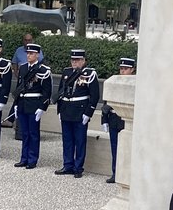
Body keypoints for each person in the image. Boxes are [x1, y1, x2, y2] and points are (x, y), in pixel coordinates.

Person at [54, 49, 100, 179]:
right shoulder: (67, 72)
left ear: (83, 61)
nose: (74, 62)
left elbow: (95, 95)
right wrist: (59, 109)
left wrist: (88, 113)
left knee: (80, 140)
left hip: (80, 111)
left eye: (78, 60)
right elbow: (60, 92)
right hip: (66, 109)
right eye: (73, 60)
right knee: (67, 140)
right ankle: (67, 165)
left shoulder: (90, 74)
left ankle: (78, 167)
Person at [14, 43, 52, 170]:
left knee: (33, 133)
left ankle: (32, 159)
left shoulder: (43, 70)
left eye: (32, 53)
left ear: (37, 55)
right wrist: (16, 104)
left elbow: (47, 91)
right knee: (24, 133)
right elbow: (19, 87)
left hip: (34, 104)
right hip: (23, 103)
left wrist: (42, 107)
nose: (29, 55)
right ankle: (24, 158)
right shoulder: (23, 68)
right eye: (28, 53)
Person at [99, 57, 135, 184]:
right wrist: (104, 120)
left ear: (132, 69)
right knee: (115, 148)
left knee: (128, 149)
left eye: (126, 69)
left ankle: (127, 175)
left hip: (126, 120)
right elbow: (106, 102)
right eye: (121, 69)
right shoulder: (115, 81)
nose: (123, 71)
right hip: (114, 118)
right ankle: (115, 173)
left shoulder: (135, 84)